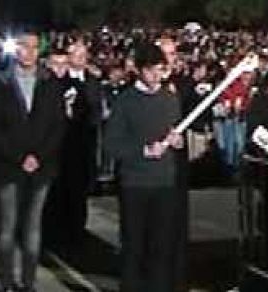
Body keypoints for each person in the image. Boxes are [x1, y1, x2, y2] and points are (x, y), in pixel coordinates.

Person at [0, 31, 67, 292]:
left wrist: (38, 156)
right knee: (8, 224)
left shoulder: (50, 82)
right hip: (7, 166)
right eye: (24, 46)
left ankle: (28, 281)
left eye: (34, 47)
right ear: (15, 50)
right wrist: (19, 157)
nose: (29, 52)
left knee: (33, 225)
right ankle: (6, 281)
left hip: (42, 165)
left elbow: (58, 125)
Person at [104, 42, 186, 292]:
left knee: (161, 246)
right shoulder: (125, 101)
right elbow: (111, 144)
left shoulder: (170, 99)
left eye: (160, 69)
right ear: (139, 70)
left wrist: (177, 142)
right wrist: (143, 151)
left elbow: (175, 134)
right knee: (134, 245)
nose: (155, 76)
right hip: (135, 184)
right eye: (150, 70)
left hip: (165, 183)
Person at [42, 38, 103, 253]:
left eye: (84, 55)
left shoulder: (93, 81)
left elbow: (96, 112)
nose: (80, 59)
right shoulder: (57, 82)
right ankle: (56, 233)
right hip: (60, 146)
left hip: (84, 145)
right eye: (76, 55)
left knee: (79, 191)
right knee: (58, 192)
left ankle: (77, 232)